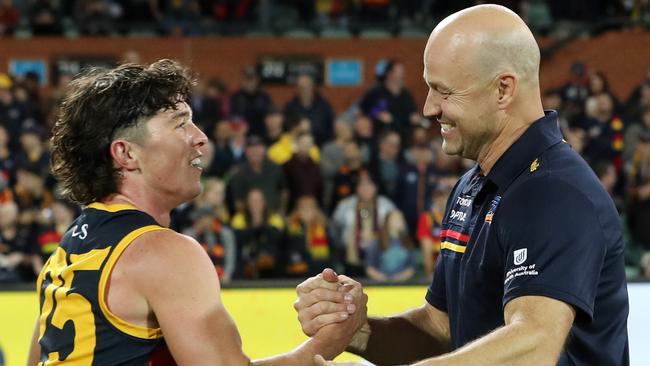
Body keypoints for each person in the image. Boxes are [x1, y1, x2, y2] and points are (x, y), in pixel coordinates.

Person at [295, 5, 629, 366]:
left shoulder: (556, 192)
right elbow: (443, 330)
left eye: (444, 92)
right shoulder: (472, 187)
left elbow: (533, 345)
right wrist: (360, 331)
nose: (428, 108)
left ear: (503, 90)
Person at [28, 59, 361, 365]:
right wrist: (331, 340)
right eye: (180, 123)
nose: (200, 137)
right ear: (126, 154)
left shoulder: (65, 254)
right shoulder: (163, 253)